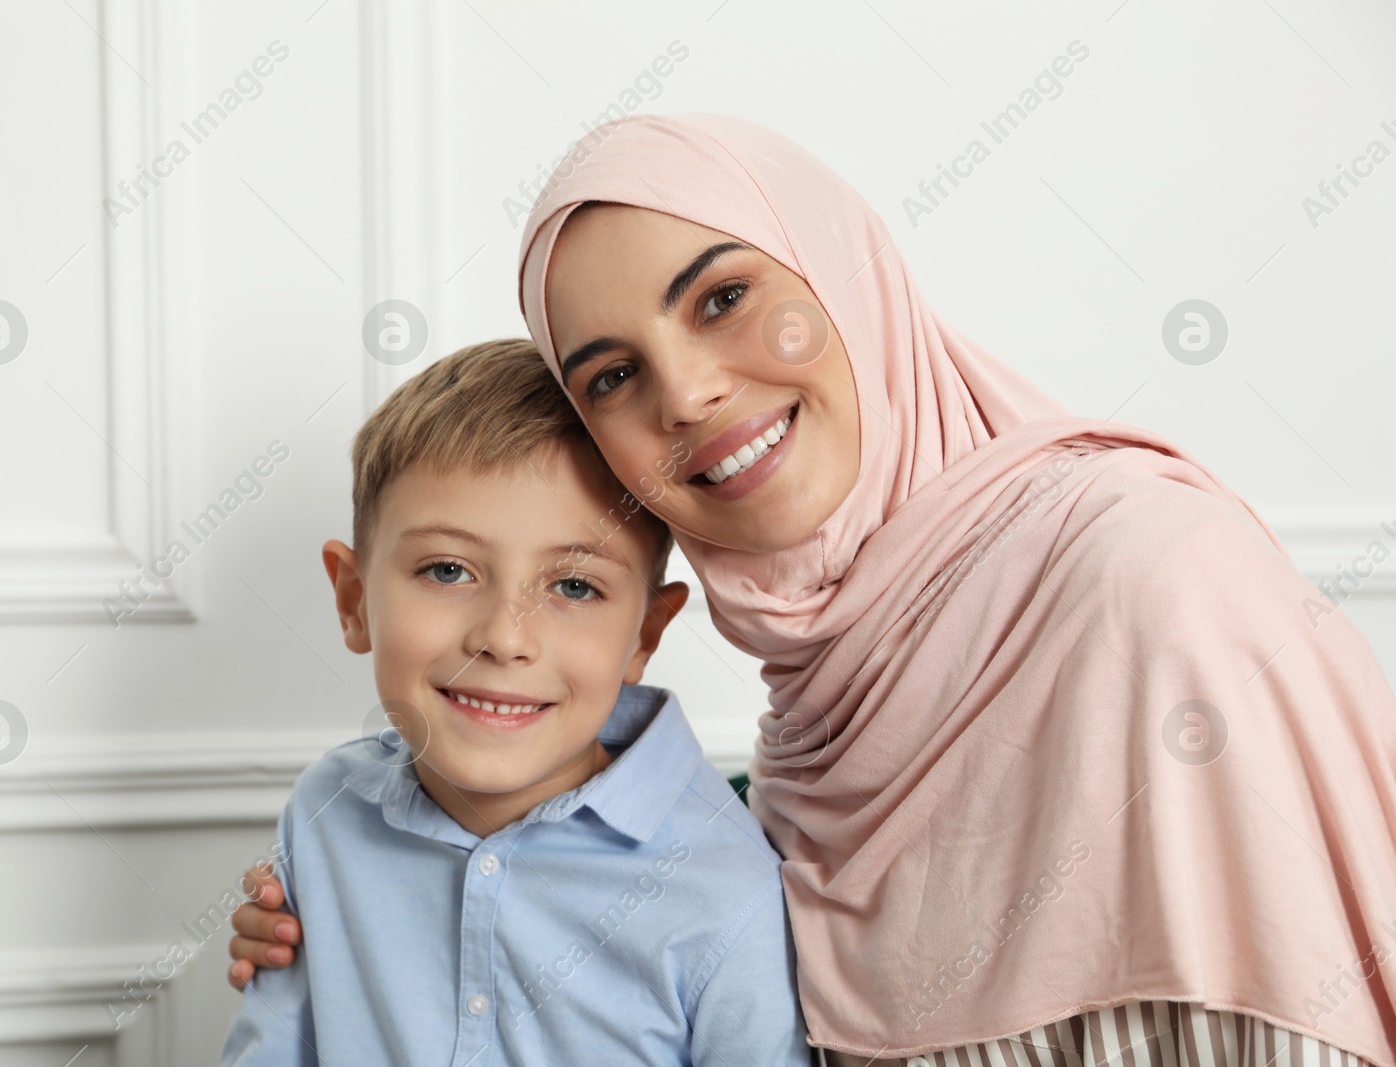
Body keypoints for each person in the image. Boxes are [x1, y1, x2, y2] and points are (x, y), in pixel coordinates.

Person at [231, 117, 1396, 1067]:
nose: (683, 393)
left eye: (723, 296)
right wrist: (390, 895)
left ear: (848, 275)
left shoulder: (1153, 583)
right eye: (614, 374)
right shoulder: (814, 720)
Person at [217, 338, 810, 1066]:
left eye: (573, 586)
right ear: (354, 600)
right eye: (447, 569)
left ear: (643, 634)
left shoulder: (729, 891)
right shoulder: (326, 815)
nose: (504, 637)